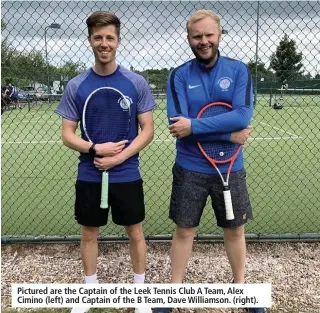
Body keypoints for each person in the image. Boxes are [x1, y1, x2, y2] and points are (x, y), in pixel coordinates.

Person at [153, 10, 264, 313]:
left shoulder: (239, 71)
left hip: (231, 167)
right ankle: (173, 295)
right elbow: (179, 127)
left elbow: (243, 115)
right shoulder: (178, 75)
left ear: (219, 35)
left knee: (235, 230)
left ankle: (240, 291)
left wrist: (196, 125)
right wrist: (229, 135)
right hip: (191, 167)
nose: (203, 41)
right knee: (184, 230)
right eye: (196, 36)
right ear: (189, 38)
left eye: (208, 35)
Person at [55, 11, 156, 313]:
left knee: (135, 232)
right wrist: (95, 149)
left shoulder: (135, 82)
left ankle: (139, 295)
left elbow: (147, 130)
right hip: (90, 173)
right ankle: (90, 293)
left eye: (109, 37)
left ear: (118, 41)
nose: (104, 43)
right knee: (89, 233)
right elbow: (67, 135)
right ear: (90, 41)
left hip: (127, 174)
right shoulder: (77, 85)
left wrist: (121, 157)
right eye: (98, 37)